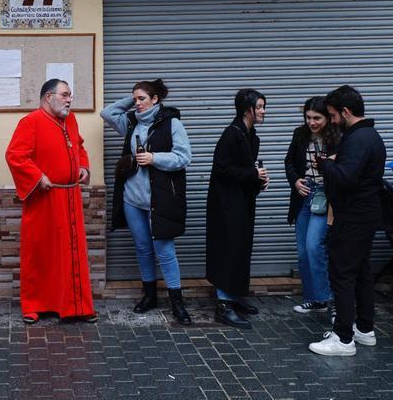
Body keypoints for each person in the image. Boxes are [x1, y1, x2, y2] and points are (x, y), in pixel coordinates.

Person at [101, 79, 193, 325]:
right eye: (135, 99)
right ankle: (150, 296)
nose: (137, 103)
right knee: (142, 248)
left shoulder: (171, 123)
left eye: (142, 98)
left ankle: (177, 302)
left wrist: (154, 158)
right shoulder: (131, 123)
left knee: (165, 251)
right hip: (133, 198)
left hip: (160, 199)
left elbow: (184, 157)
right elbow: (107, 113)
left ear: (156, 99)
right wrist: (132, 100)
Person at [5, 79, 96, 324]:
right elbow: (15, 155)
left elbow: (79, 146)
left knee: (72, 253)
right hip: (44, 200)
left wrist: (84, 166)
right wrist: (38, 176)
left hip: (71, 198)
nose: (69, 99)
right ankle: (34, 306)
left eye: (70, 95)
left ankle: (77, 306)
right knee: (41, 253)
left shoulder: (71, 120)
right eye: (65, 95)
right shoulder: (31, 122)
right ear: (48, 97)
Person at [309, 85, 385, 357]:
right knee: (361, 272)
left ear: (345, 111)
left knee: (341, 274)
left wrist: (325, 164)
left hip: (353, 217)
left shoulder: (357, 139)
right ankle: (365, 330)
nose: (331, 121)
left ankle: (343, 339)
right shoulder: (371, 136)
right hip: (365, 215)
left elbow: (345, 177)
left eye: (332, 115)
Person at [205, 89, 268, 329]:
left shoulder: (251, 136)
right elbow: (221, 169)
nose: (263, 111)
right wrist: (252, 174)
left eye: (264, 106)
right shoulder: (231, 135)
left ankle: (234, 297)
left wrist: (259, 179)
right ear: (246, 108)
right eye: (259, 106)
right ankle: (223, 305)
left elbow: (246, 169)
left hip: (242, 202)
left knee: (241, 249)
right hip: (225, 206)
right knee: (228, 250)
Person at [284, 96, 340, 314]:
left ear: (327, 117)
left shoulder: (336, 137)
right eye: (308, 117)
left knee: (314, 247)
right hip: (303, 194)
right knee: (302, 252)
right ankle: (314, 299)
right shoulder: (300, 134)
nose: (312, 122)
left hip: (324, 196)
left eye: (317, 118)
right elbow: (289, 161)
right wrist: (295, 180)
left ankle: (330, 300)